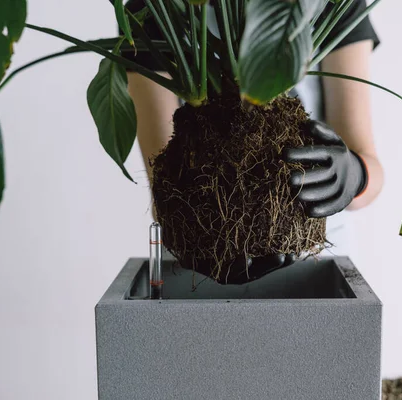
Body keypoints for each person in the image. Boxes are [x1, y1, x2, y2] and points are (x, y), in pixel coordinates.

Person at [124, 0, 384, 283]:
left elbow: (370, 170)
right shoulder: (155, 8)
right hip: (200, 264)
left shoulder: (331, 4)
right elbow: (163, 182)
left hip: (318, 256)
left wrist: (356, 176)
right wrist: (199, 232)